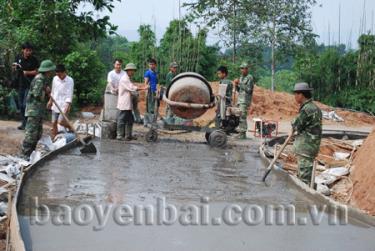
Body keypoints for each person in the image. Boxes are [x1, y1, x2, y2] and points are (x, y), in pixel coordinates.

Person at [20, 60, 56, 159]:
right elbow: (36, 95)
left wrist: (46, 88)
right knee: (31, 133)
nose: (51, 72)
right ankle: (24, 155)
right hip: (33, 110)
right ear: (47, 70)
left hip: (38, 111)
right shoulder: (40, 79)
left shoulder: (43, 79)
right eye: (50, 70)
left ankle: (31, 154)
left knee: (38, 133)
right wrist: (45, 90)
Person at [291, 82, 322, 185]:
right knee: (306, 175)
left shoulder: (307, 109)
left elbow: (296, 125)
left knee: (304, 179)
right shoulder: (314, 107)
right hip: (311, 145)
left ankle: (305, 200)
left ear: (301, 95)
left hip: (307, 147)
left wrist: (293, 122)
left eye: (295, 94)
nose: (294, 96)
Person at [117, 63, 147, 141]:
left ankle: (128, 135)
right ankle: (119, 136)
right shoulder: (124, 79)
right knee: (122, 118)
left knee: (130, 119)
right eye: (132, 71)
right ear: (128, 71)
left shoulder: (128, 78)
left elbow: (131, 88)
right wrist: (143, 88)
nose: (133, 72)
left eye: (134, 71)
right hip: (124, 103)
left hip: (127, 103)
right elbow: (132, 88)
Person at [12, 42, 39, 130]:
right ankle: (24, 123)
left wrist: (27, 72)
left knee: (25, 104)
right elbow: (14, 67)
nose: (28, 52)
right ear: (23, 50)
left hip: (30, 84)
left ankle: (28, 123)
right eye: (27, 50)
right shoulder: (18, 58)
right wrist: (15, 68)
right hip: (20, 84)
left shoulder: (34, 59)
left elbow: (37, 72)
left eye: (30, 51)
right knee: (20, 105)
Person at [47, 64, 74, 139]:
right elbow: (53, 91)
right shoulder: (55, 79)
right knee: (54, 123)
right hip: (55, 104)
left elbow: (69, 94)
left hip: (64, 104)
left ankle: (70, 127)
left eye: (60, 74)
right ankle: (54, 139)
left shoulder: (70, 80)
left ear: (64, 72)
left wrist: (68, 105)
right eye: (57, 75)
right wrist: (50, 101)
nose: (59, 76)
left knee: (61, 121)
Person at [234, 62, 254, 139]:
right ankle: (240, 132)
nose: (242, 70)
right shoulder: (241, 77)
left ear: (247, 69)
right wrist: (236, 85)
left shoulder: (250, 78)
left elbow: (249, 90)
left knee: (242, 116)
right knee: (238, 116)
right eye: (241, 68)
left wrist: (240, 83)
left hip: (245, 100)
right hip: (240, 100)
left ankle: (243, 134)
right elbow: (239, 90)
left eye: (243, 68)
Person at [144, 58, 159, 125]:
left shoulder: (155, 73)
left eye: (153, 64)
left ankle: (152, 121)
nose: (151, 65)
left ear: (155, 65)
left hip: (154, 91)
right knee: (149, 107)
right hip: (150, 91)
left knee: (154, 106)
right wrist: (146, 92)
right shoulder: (148, 73)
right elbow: (146, 83)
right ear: (148, 65)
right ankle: (147, 122)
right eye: (150, 64)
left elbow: (157, 83)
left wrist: (157, 90)